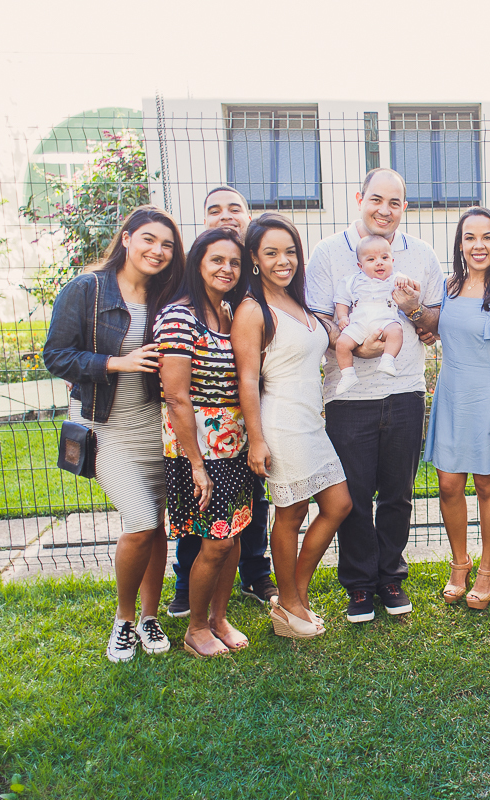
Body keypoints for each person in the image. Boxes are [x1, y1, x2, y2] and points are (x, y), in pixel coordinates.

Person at [43, 205, 184, 662]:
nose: (157, 250)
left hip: (153, 424)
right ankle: (124, 620)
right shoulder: (87, 288)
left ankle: (150, 616)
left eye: (166, 244)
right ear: (126, 239)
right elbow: (57, 356)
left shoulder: (168, 296)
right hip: (103, 424)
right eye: (148, 239)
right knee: (141, 521)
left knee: (156, 528)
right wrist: (112, 363)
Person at [305, 167, 444, 623]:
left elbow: (433, 323)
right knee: (355, 494)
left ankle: (391, 576)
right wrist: (348, 342)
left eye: (396, 203)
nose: (385, 210)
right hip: (346, 397)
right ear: (359, 197)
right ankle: (359, 585)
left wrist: (414, 309)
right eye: (377, 200)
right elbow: (318, 317)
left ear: (405, 207)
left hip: (404, 389)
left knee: (398, 494)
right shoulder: (327, 254)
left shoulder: (420, 254)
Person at [234, 213, 352, 639]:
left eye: (290, 252)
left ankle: (293, 596)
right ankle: (288, 602)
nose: (283, 260)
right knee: (292, 512)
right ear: (254, 258)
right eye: (271, 253)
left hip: (310, 421)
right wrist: (257, 440)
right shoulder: (252, 310)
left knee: (338, 505)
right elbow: (248, 379)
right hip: (280, 423)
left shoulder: (296, 302)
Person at [167, 186, 275, 619]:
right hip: (200, 439)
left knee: (239, 519)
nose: (226, 216)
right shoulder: (185, 303)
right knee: (207, 523)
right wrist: (194, 459)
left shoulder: (237, 298)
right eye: (215, 209)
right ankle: (188, 593)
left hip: (238, 430)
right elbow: (176, 394)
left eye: (236, 208)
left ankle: (240, 589)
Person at [425, 207, 490, 610]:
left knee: (487, 486)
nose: (478, 245)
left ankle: (487, 567)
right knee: (449, 485)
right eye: (470, 237)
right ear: (459, 243)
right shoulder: (450, 287)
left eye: (486, 237)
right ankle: (459, 562)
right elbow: (437, 330)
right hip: (452, 398)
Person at [156, 227, 253, 657]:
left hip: (233, 445)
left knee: (232, 537)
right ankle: (196, 628)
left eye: (234, 262)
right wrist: (195, 463)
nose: (226, 269)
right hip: (198, 449)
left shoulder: (228, 313)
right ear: (198, 262)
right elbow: (176, 395)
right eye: (217, 260)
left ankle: (219, 618)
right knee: (214, 542)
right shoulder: (180, 316)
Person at [333, 235, 412, 394]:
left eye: (385, 257)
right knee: (341, 343)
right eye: (371, 259)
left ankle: (388, 360)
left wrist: (404, 280)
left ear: (392, 261)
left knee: (396, 331)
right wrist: (342, 317)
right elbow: (341, 300)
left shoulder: (394, 278)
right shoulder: (352, 281)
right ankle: (347, 374)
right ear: (360, 265)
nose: (379, 262)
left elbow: (406, 281)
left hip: (384, 319)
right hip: (359, 322)